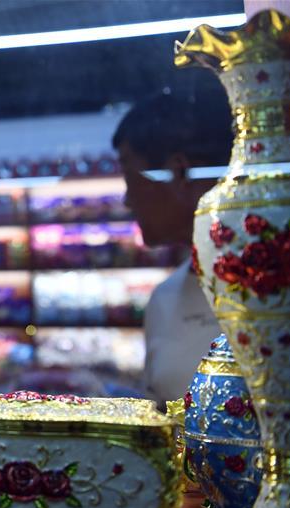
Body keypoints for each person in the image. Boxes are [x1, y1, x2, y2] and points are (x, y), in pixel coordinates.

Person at [112, 90, 232, 406]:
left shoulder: (277, 285)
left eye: (129, 176)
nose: (127, 200)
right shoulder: (164, 299)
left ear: (177, 172)